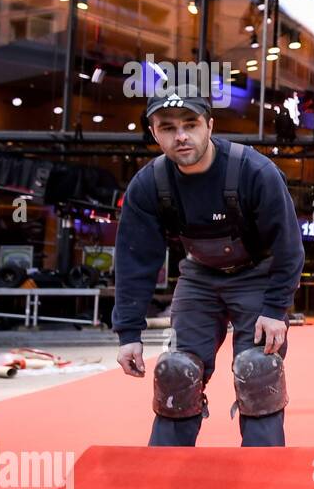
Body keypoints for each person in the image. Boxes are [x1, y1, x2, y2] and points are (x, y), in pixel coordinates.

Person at [113, 84, 304, 447]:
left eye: (191, 124)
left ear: (210, 125)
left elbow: (288, 246)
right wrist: (128, 333)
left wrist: (276, 308)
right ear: (153, 133)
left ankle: (264, 473)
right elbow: (134, 260)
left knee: (258, 370)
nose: (181, 136)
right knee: (176, 372)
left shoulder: (254, 171)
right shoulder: (148, 185)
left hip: (257, 275)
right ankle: (166, 470)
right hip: (199, 276)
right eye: (167, 127)